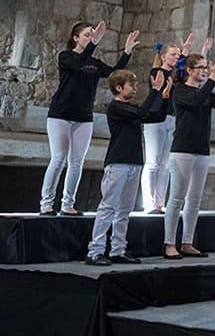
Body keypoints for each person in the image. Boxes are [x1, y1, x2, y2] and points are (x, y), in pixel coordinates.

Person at [40, 22, 139, 216]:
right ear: (75, 38)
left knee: (77, 162)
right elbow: (77, 64)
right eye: (86, 35)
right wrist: (93, 43)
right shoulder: (66, 56)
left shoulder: (94, 63)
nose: (90, 38)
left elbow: (115, 73)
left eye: (91, 35)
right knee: (59, 158)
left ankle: (68, 203)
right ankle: (46, 203)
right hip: (60, 114)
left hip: (83, 117)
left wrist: (126, 52)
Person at [85, 69, 165, 266]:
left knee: (124, 210)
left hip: (134, 162)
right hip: (118, 162)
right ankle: (95, 251)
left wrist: (164, 96)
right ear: (119, 88)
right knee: (108, 207)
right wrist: (154, 92)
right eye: (132, 85)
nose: (135, 89)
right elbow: (142, 112)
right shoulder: (116, 107)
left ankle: (118, 250)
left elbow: (156, 116)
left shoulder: (131, 109)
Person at [163, 54, 215, 259]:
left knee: (194, 199)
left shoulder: (205, 92)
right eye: (200, 67)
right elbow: (195, 101)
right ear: (189, 70)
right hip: (183, 149)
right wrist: (213, 77)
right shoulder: (180, 91)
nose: (205, 70)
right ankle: (169, 243)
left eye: (207, 67)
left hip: (202, 149)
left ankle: (187, 241)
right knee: (177, 197)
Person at [141, 35, 194, 214]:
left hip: (172, 118)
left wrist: (185, 54)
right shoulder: (156, 72)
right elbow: (159, 93)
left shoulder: (177, 75)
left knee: (164, 163)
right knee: (153, 162)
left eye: (177, 55)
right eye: (173, 55)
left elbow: (182, 74)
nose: (176, 58)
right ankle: (148, 202)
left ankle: (159, 202)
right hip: (155, 119)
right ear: (164, 57)